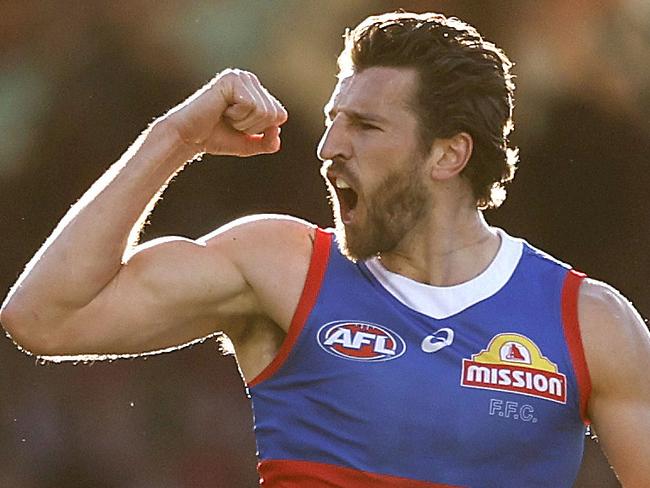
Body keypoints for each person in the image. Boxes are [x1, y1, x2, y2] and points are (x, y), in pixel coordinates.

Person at [1, 10, 648, 487]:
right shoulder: (280, 267)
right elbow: (43, 318)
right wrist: (173, 139)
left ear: (449, 154)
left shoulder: (590, 322)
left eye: (365, 126)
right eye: (335, 120)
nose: (329, 146)